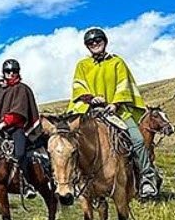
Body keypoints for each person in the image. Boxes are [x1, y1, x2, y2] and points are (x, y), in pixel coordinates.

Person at [67, 28, 160, 198]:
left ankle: (147, 178)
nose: (95, 44)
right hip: (91, 111)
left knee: (137, 140)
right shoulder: (82, 65)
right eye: (91, 42)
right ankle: (70, 182)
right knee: (70, 141)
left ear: (105, 41)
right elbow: (78, 85)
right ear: (87, 46)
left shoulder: (117, 62)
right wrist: (90, 98)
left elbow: (123, 85)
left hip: (117, 112)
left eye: (98, 41)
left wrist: (115, 104)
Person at [0, 59, 39, 200]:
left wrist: (3, 124)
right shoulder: (2, 89)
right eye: (8, 72)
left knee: (19, 154)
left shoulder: (22, 89)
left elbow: (18, 112)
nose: (11, 74)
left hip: (16, 129)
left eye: (14, 71)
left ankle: (27, 184)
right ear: (4, 73)